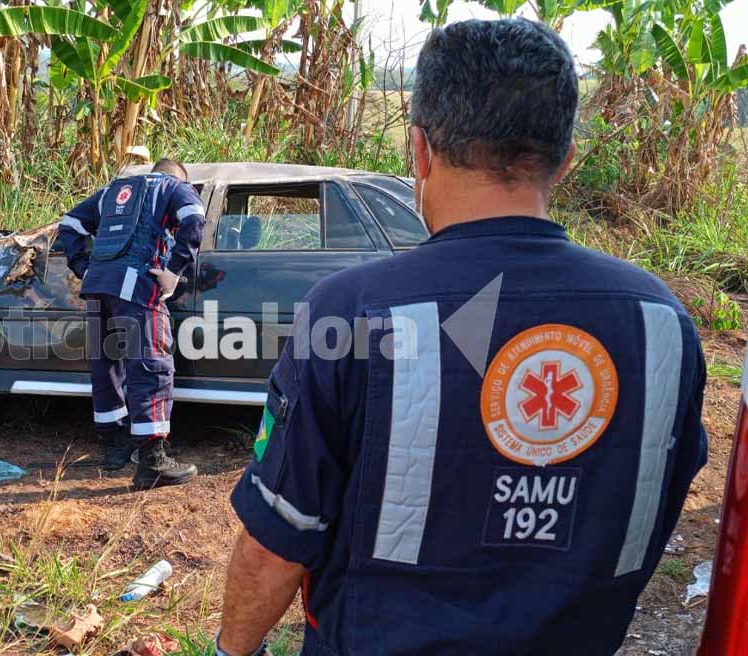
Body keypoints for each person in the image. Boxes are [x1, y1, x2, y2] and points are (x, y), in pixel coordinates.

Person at [217, 19, 707, 656]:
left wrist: (232, 650)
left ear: (420, 150)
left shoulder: (351, 312)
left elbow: (279, 537)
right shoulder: (663, 323)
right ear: (566, 159)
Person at [56, 159, 204, 489]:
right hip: (135, 287)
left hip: (98, 286)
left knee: (106, 366)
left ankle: (115, 447)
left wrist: (84, 267)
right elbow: (194, 219)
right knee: (151, 365)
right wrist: (174, 271)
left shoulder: (112, 191)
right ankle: (153, 462)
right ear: (179, 177)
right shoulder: (173, 187)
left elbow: (69, 224)